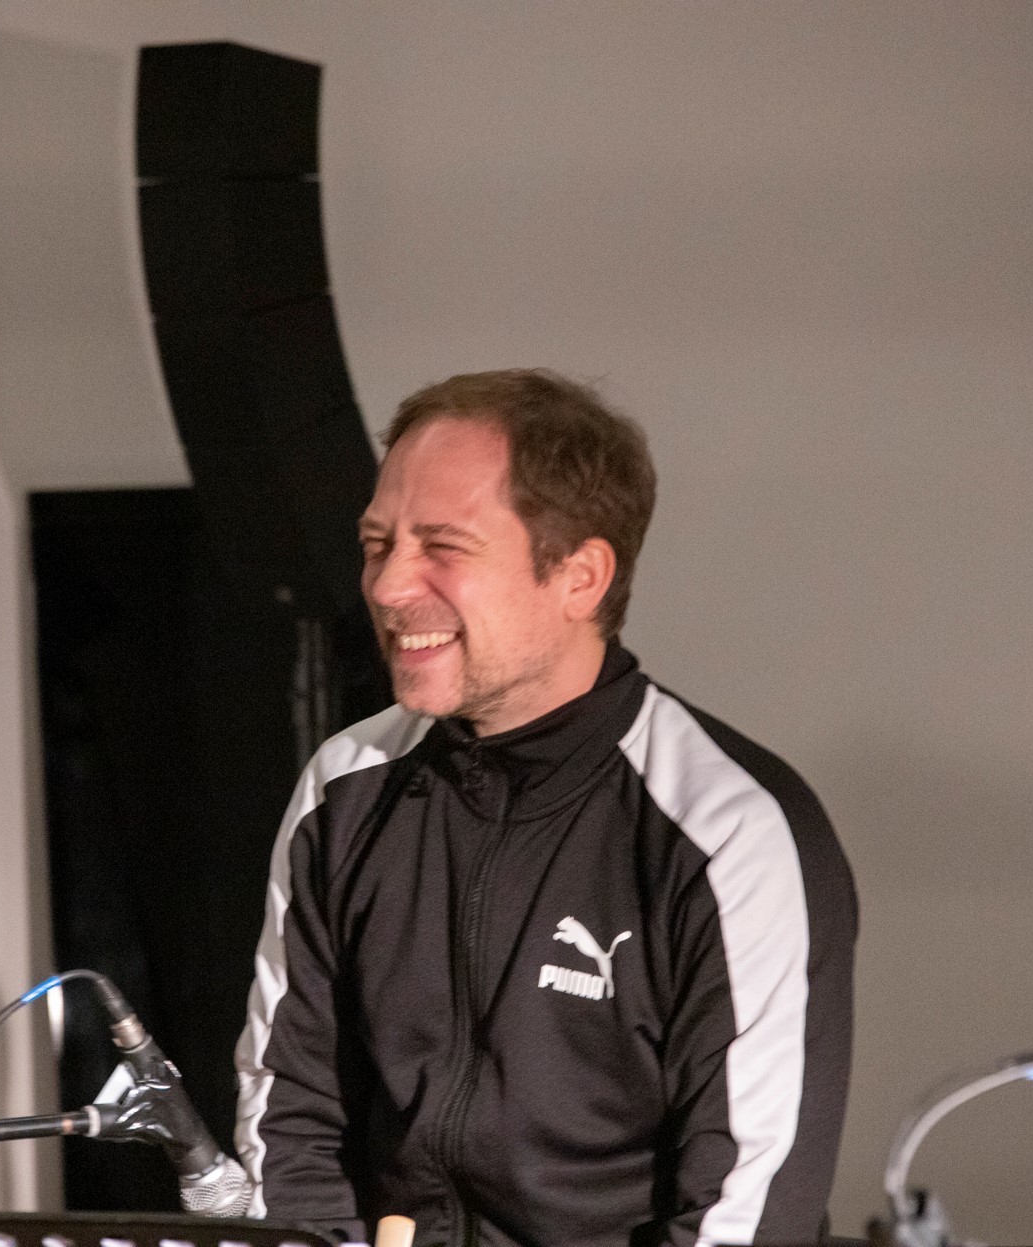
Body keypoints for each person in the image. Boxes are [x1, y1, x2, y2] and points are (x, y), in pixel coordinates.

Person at [234, 370, 857, 1247]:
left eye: (442, 546)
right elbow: (290, 1119)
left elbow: (747, 1217)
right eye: (377, 543)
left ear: (580, 576)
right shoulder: (345, 785)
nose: (387, 585)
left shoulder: (730, 831)